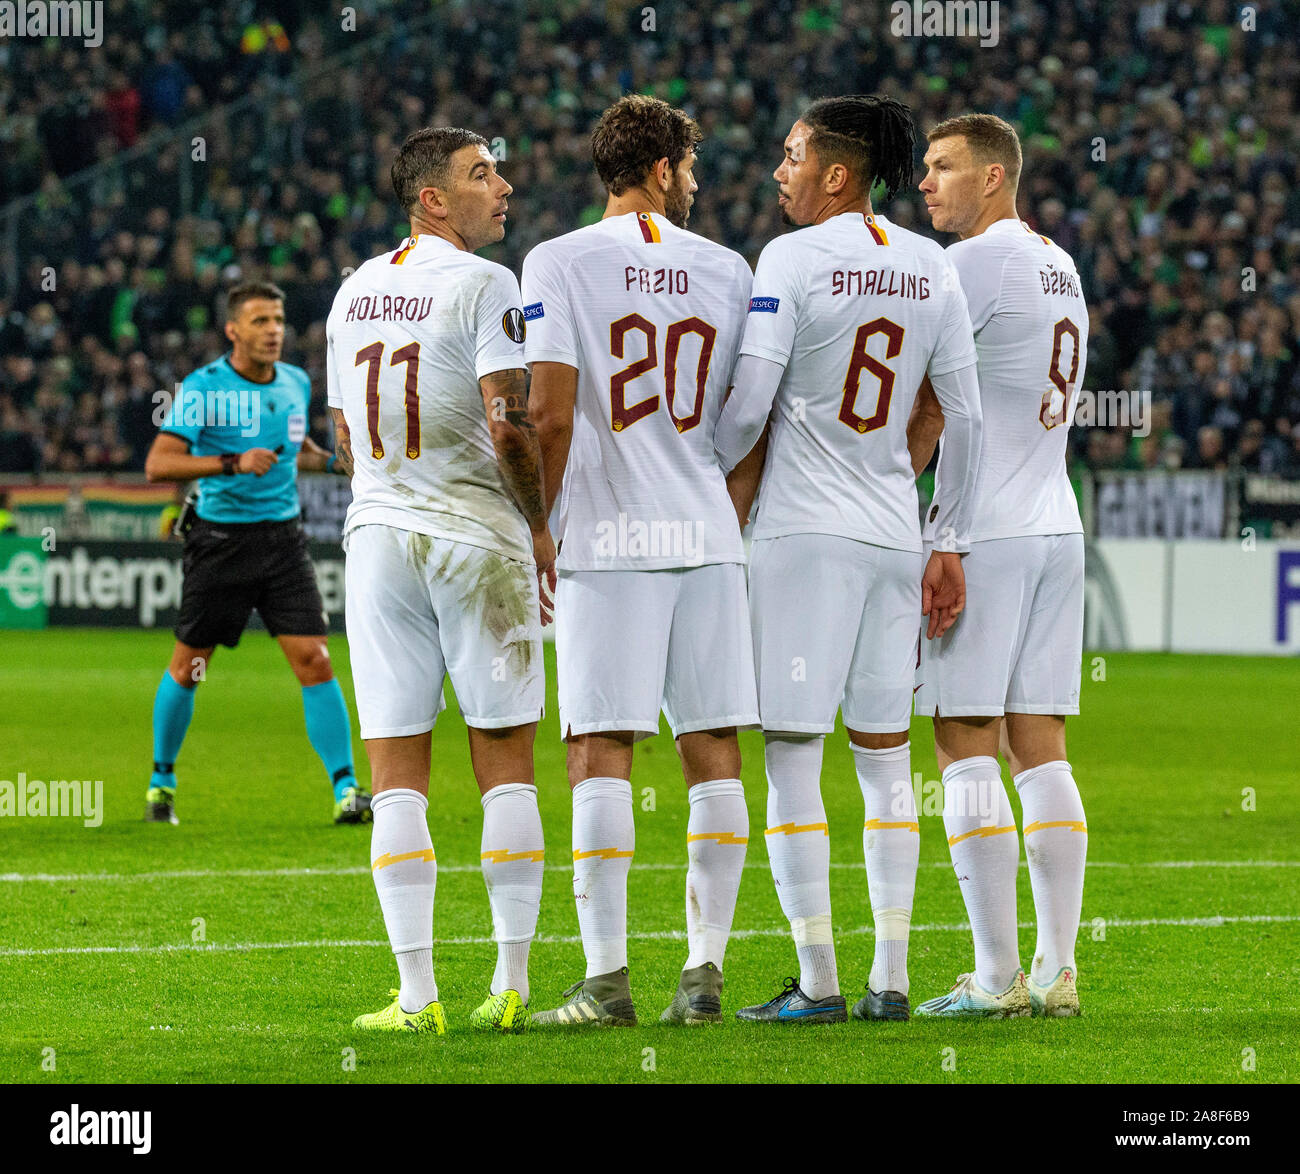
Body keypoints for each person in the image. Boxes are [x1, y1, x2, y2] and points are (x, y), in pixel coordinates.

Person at [716, 95, 983, 1024]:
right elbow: (962, 412)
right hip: (891, 534)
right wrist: (943, 532)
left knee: (791, 753)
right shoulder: (931, 264)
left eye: (791, 156)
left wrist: (702, 478)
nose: (778, 171)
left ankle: (819, 982)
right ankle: (893, 980)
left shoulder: (789, 259)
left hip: (802, 538)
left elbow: (749, 405)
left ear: (837, 172)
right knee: (884, 760)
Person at [523, 95, 758, 1027]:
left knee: (598, 748)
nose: (695, 184)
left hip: (609, 537)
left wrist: (539, 523)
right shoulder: (729, 269)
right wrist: (720, 514)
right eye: (690, 167)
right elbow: (747, 421)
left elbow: (546, 412)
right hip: (704, 534)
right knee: (713, 750)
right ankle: (703, 977)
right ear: (661, 169)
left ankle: (606, 983)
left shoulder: (557, 260)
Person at [328, 127, 555, 1035]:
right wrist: (538, 527)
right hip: (476, 539)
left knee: (397, 776)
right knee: (504, 768)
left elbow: (345, 435)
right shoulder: (486, 284)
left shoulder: (352, 291)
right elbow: (510, 426)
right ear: (431, 199)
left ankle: (415, 997)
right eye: (480, 174)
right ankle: (509, 986)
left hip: (378, 538)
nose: (502, 185)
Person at [911, 112, 1090, 1018]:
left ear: (993, 177)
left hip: (986, 533)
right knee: (1041, 749)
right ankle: (1059, 970)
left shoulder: (967, 265)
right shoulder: (1059, 262)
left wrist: (931, 523)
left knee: (962, 739)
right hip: (1058, 523)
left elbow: (929, 405)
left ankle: (993, 979)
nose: (925, 184)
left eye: (942, 168)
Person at [144, 281, 362, 826]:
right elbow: (159, 464)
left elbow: (296, 453)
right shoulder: (202, 388)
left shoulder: (293, 382)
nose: (274, 331)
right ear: (233, 330)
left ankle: (347, 790)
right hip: (220, 543)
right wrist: (230, 463)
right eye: (261, 321)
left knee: (315, 660)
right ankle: (161, 781)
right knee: (189, 667)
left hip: (283, 543)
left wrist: (340, 462)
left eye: (279, 320)